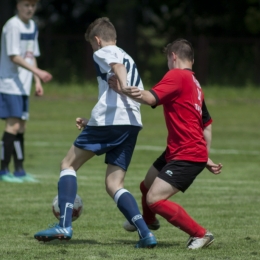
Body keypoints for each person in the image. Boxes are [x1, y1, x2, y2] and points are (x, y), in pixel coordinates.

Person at [34, 17, 157, 249]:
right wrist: (93, 119)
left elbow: (117, 69)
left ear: (98, 40)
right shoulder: (128, 55)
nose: (93, 49)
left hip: (110, 121)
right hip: (130, 123)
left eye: (92, 45)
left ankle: (64, 224)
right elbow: (121, 79)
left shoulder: (103, 51)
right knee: (114, 184)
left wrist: (123, 86)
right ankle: (145, 233)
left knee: (68, 164)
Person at [108, 38, 223, 249]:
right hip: (179, 150)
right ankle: (149, 221)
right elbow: (206, 124)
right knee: (147, 185)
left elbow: (150, 98)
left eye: (167, 60)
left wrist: (122, 88)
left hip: (186, 153)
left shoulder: (176, 75)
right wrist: (205, 156)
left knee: (154, 198)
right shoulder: (196, 84)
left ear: (173, 56)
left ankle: (201, 234)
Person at [0, 0, 53, 183]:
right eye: (26, 5)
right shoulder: (12, 26)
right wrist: (37, 72)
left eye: (33, 6)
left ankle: (20, 170)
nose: (30, 9)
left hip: (23, 84)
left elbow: (30, 56)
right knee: (13, 126)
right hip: (9, 83)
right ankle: (3, 169)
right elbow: (13, 56)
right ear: (18, 6)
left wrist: (36, 81)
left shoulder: (32, 26)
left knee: (21, 127)